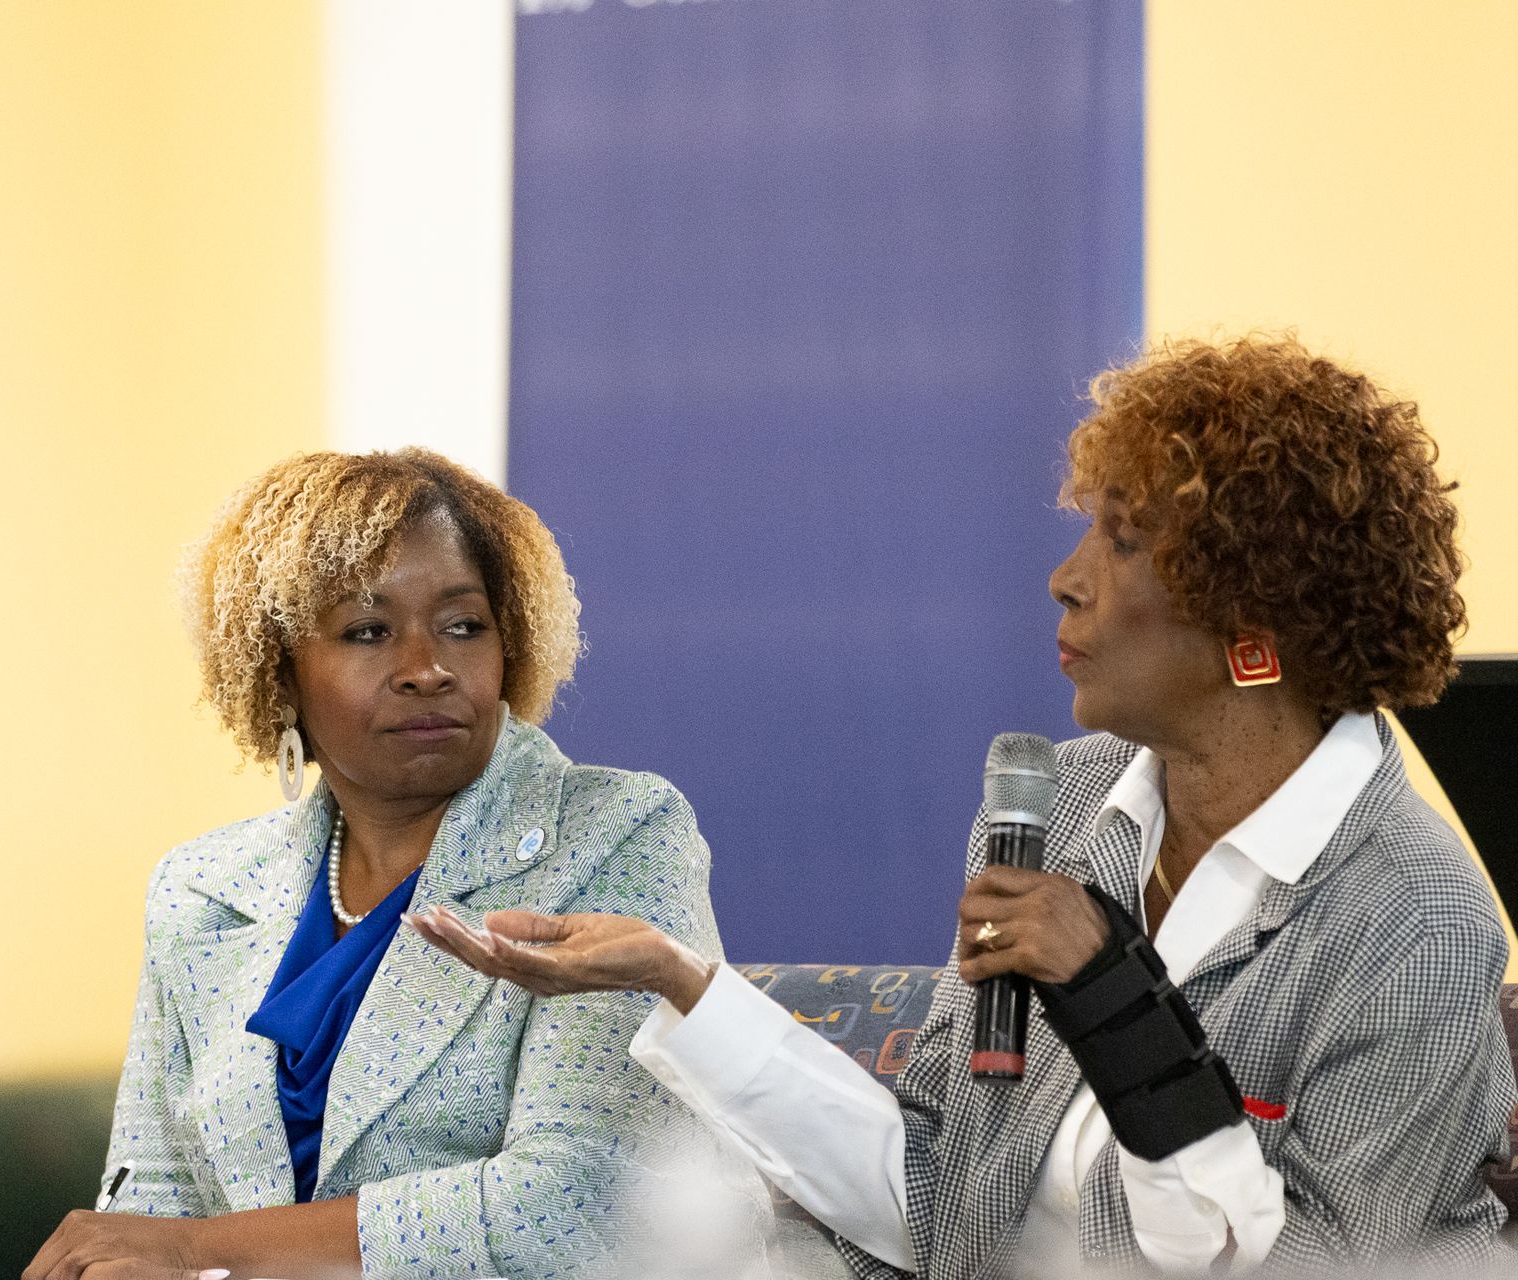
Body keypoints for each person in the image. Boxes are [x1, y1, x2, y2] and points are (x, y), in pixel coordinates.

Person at [414, 337, 1517, 1276]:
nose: (1067, 575)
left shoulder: (1412, 920)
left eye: (1124, 539)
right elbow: (940, 1194)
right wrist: (680, 975)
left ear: (1255, 622)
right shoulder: (1072, 804)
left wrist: (1116, 1003)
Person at [24, 448, 725, 1280]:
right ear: (278, 673)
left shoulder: (615, 833)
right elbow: (153, 1195)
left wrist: (195, 1252)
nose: (427, 669)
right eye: (368, 632)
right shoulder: (202, 889)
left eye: (464, 626)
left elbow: (577, 1208)